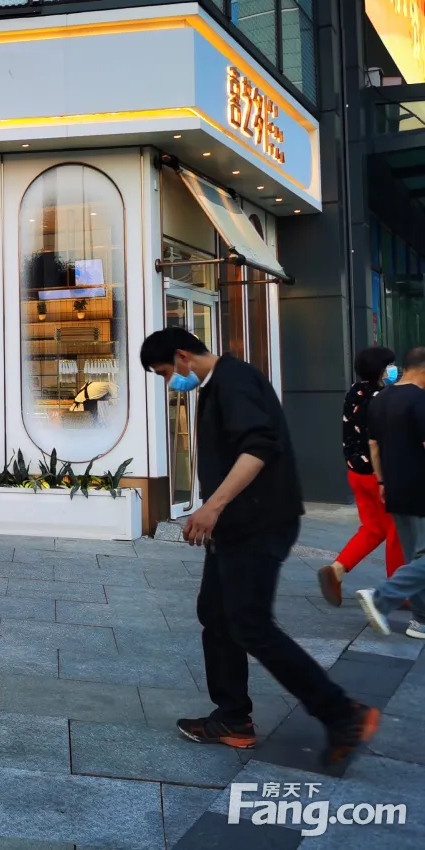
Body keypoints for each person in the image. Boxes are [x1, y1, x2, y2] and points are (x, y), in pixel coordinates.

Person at [140, 328, 379, 765]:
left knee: (250, 624)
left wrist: (212, 506)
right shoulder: (216, 385)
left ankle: (343, 714)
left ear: (182, 356)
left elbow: (258, 447)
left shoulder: (234, 381)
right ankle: (233, 718)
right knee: (216, 614)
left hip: (260, 523)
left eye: (164, 372)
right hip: (236, 526)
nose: (169, 382)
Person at [317, 346, 403, 606]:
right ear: (381, 368)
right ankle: (400, 591)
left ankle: (337, 569)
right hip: (379, 474)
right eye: (390, 365)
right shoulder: (384, 397)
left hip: (356, 472)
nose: (393, 369)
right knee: (396, 531)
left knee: (373, 528)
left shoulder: (354, 392)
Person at [354, 345, 425, 640]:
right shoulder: (420, 400)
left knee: (416, 557)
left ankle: (421, 621)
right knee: (421, 558)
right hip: (420, 486)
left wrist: (382, 482)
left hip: (394, 485)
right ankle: (381, 597)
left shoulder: (380, 399)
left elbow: (373, 446)